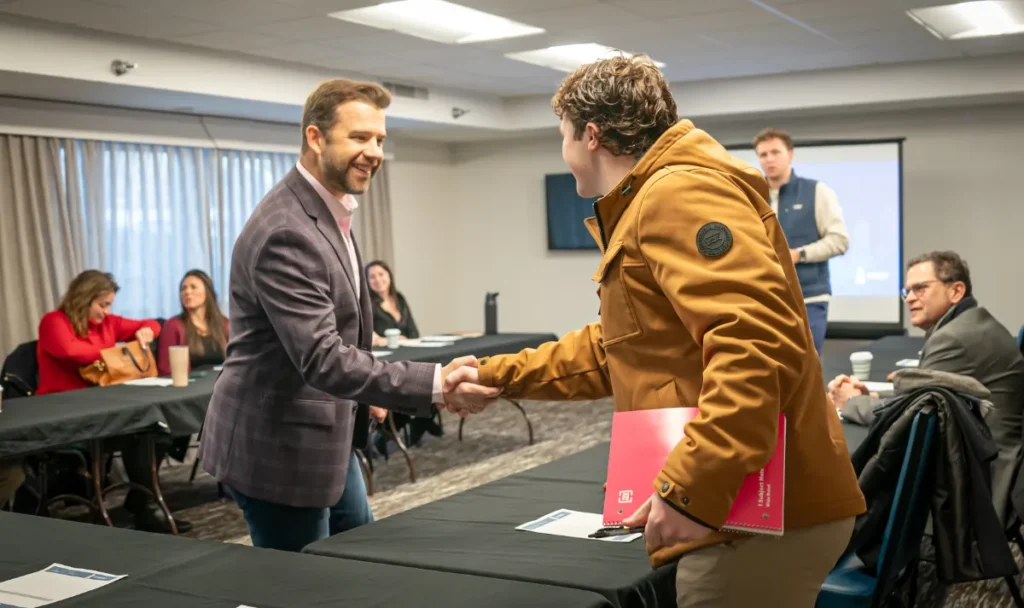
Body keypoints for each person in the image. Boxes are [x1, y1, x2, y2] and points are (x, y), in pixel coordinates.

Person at [444, 55, 866, 608]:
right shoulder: (659, 196)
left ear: (591, 135)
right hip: (751, 507)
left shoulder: (677, 195)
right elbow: (621, 346)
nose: (565, 153)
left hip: (757, 514)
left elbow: (753, 345)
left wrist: (691, 488)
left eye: (564, 136)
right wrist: (498, 373)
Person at [199, 78, 499, 552]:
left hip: (327, 427)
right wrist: (436, 385)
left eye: (380, 139)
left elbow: (341, 329)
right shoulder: (287, 231)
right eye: (359, 138)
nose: (375, 151)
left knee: (364, 555)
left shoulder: (328, 208)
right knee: (307, 587)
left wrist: (371, 392)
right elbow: (322, 357)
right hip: (278, 444)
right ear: (316, 139)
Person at [830, 251, 1024, 524]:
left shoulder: (955, 338)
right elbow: (926, 396)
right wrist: (873, 396)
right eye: (907, 290)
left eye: (921, 288)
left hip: (985, 487)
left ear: (956, 291)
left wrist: (850, 402)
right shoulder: (971, 323)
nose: (909, 297)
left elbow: (907, 418)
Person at [36, 270, 191, 533]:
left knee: (154, 431)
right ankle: (144, 506)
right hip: (62, 412)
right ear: (83, 299)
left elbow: (154, 324)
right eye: (102, 304)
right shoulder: (54, 322)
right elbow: (73, 352)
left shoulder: (108, 324)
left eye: (109, 305)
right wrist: (118, 352)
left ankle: (142, 503)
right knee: (140, 431)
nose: (107, 311)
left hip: (103, 409)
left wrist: (146, 333)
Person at [754, 128, 849, 355]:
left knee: (807, 366)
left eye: (775, 152)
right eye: (763, 154)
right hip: (765, 300)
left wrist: (798, 254)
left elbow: (839, 240)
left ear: (790, 155)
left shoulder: (816, 191)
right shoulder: (753, 195)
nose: (769, 159)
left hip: (809, 298)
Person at [366, 260, 442, 448]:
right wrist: (388, 340)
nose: (378, 280)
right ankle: (405, 426)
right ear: (366, 282)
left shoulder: (399, 299)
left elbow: (414, 332)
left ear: (389, 276)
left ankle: (422, 420)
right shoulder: (366, 304)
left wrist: (405, 339)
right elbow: (370, 336)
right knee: (409, 384)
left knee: (431, 374)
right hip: (385, 360)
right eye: (372, 276)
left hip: (409, 353)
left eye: (381, 274)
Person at [157, 269, 229, 375]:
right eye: (183, 288)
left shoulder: (225, 324)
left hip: (222, 384)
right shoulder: (173, 326)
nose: (187, 292)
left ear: (208, 292)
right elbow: (166, 369)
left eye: (193, 287)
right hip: (189, 388)